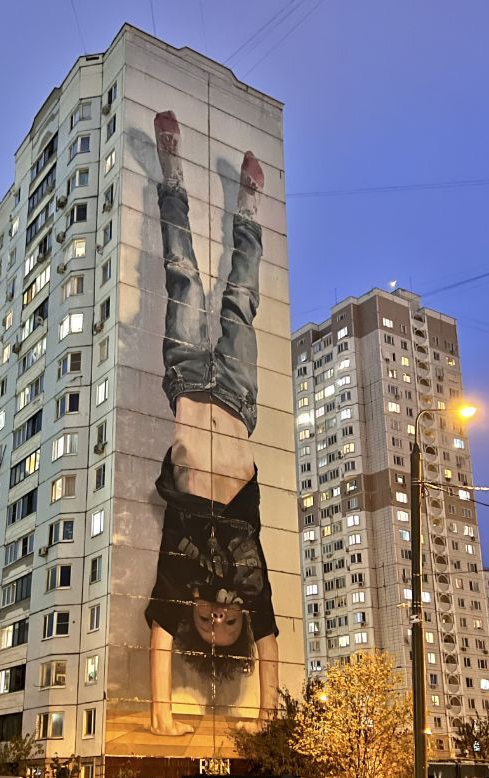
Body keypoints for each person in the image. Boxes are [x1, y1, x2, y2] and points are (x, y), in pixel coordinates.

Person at [146, 110, 279, 737]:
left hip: (186, 382)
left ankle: (170, 173)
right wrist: (268, 718)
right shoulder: (253, 582)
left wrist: (161, 713)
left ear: (192, 621)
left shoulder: (180, 569)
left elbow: (158, 628)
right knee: (240, 302)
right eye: (230, 624)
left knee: (185, 280)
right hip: (237, 396)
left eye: (208, 624)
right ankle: (249, 207)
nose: (219, 614)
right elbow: (272, 639)